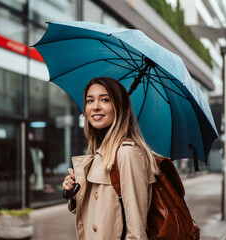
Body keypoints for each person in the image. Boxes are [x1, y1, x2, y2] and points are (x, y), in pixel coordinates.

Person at [62, 77, 160, 239]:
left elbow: (136, 231)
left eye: (105, 100)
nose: (96, 107)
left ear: (118, 107)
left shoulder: (127, 153)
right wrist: (74, 193)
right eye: (90, 100)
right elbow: (101, 212)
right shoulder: (100, 152)